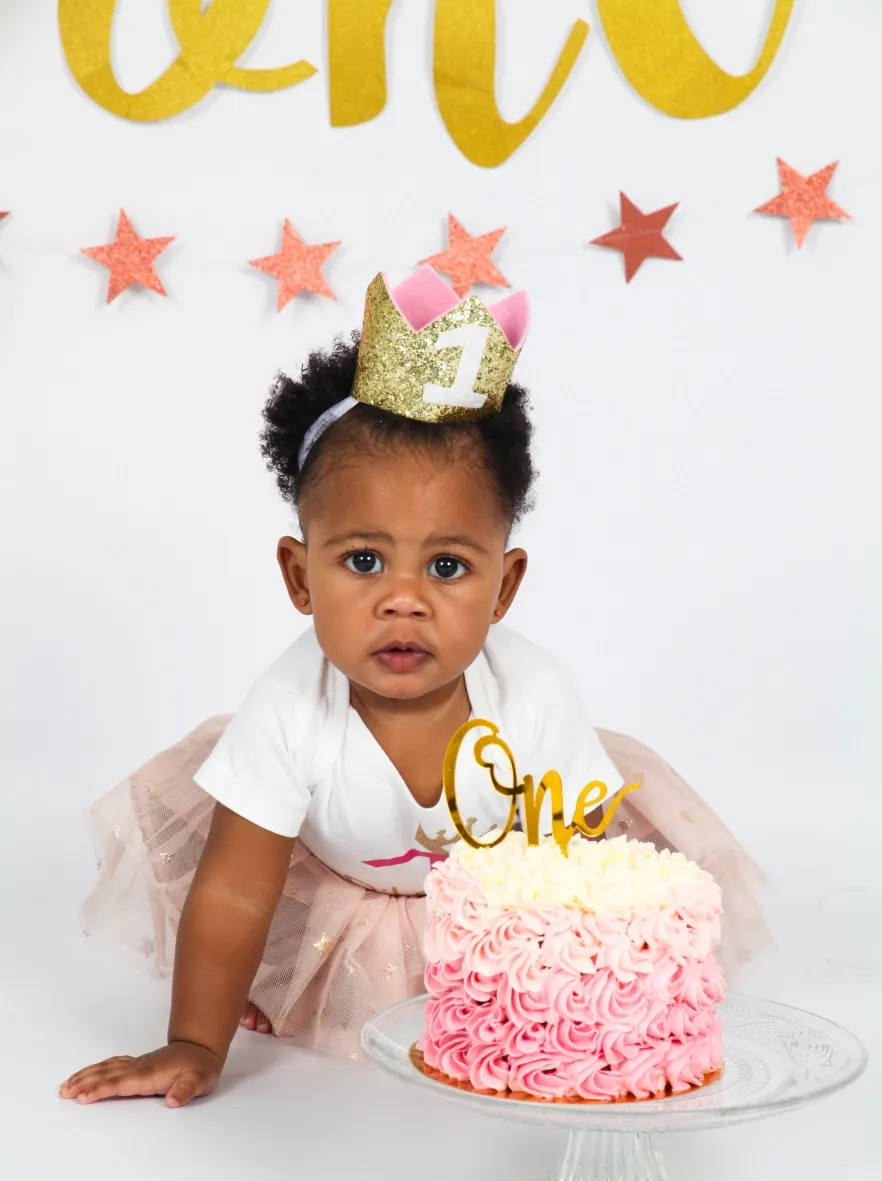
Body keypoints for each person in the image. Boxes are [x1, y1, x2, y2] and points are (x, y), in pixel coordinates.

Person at [60, 267, 772, 1110]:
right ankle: (275, 993)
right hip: (333, 891)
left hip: (494, 910)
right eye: (364, 560)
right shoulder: (290, 705)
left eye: (447, 566)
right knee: (243, 904)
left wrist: (572, 1019)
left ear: (504, 587)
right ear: (300, 576)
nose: (404, 598)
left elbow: (573, 885)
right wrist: (195, 1040)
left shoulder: (535, 695)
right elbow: (239, 886)